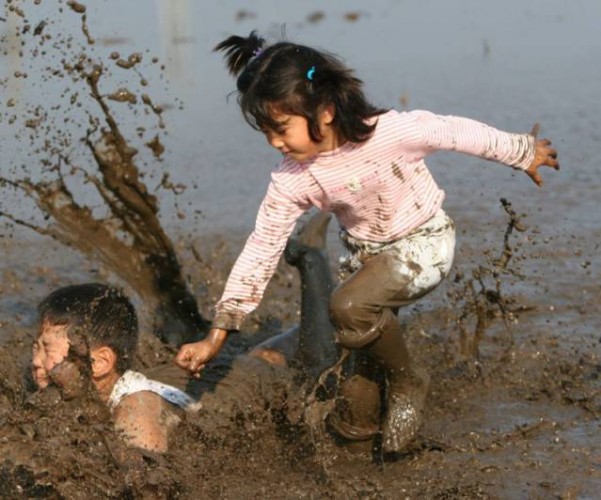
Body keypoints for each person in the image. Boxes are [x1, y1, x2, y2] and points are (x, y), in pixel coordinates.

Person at [174, 31, 559, 453]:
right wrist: (219, 332)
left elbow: (454, 132)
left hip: (423, 245)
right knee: (354, 402)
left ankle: (409, 380)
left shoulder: (390, 132)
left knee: (349, 306)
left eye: (281, 128)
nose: (275, 142)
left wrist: (522, 151)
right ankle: (371, 451)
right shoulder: (293, 177)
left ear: (324, 110)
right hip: (366, 264)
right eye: (266, 132)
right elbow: (262, 246)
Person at [30, 213, 367, 453]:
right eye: (35, 347)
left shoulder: (136, 413)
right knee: (258, 355)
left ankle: (311, 257)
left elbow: (148, 483)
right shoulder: (78, 388)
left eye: (45, 348)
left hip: (242, 386)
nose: (35, 361)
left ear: (100, 361)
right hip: (182, 380)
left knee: (318, 356)